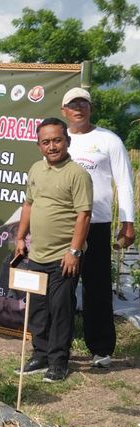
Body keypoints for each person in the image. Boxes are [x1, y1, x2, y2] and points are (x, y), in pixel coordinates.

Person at [61, 87, 135, 369]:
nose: (79, 108)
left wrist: (128, 223)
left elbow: (125, 183)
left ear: (91, 108)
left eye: (84, 103)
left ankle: (101, 347)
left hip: (98, 223)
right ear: (63, 110)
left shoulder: (108, 140)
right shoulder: (58, 139)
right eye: (73, 104)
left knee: (97, 287)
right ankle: (59, 345)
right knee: (62, 287)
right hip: (63, 224)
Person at [14, 117, 92, 382]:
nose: (52, 146)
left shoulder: (78, 174)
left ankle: (59, 362)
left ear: (67, 142)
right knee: (37, 308)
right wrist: (21, 237)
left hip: (64, 258)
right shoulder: (36, 169)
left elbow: (84, 215)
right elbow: (28, 205)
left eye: (57, 140)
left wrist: (74, 251)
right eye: (46, 142)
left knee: (60, 309)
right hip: (36, 254)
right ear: (39, 146)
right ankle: (41, 354)